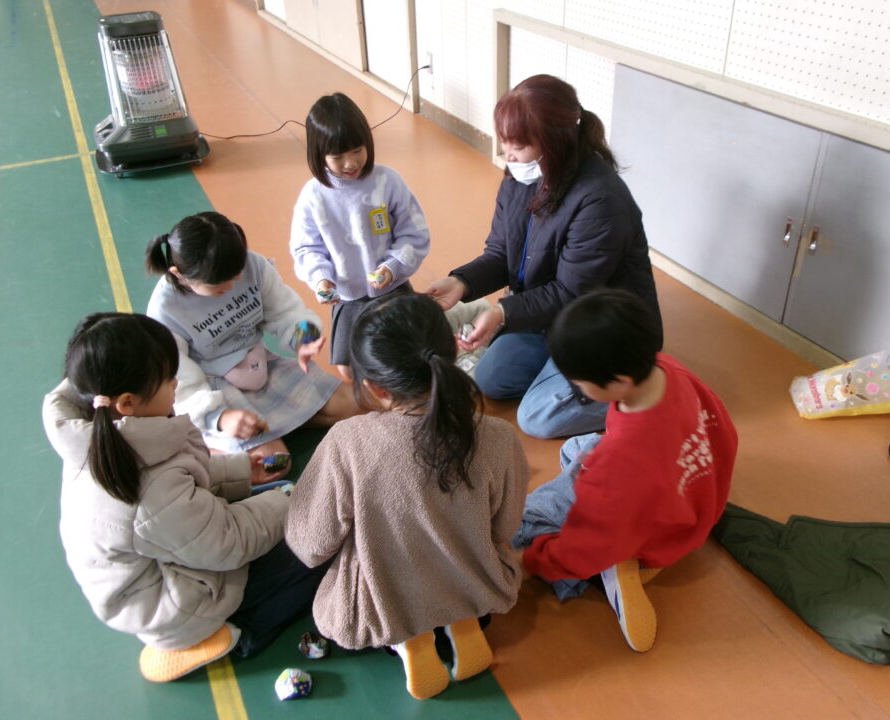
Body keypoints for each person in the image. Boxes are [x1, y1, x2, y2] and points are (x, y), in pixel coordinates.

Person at [42, 313, 327, 682]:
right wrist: (292, 502)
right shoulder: (147, 491)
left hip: (166, 556)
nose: (176, 384)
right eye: (167, 379)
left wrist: (241, 471)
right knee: (320, 544)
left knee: (286, 507)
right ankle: (235, 632)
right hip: (177, 608)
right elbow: (227, 541)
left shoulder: (104, 430)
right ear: (127, 402)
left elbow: (182, 481)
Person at [285, 293, 529, 700]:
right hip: (478, 590)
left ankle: (409, 641)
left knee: (359, 579)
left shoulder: (348, 442)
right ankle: (462, 621)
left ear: (375, 388)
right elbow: (505, 526)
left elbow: (311, 544)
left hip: (382, 611)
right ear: (452, 352)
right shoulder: (499, 436)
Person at [426, 74, 662, 439]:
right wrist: (461, 282)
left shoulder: (600, 198)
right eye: (506, 144)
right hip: (547, 316)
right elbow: (502, 252)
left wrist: (503, 312)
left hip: (599, 328)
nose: (508, 156)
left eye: (518, 147)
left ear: (553, 142)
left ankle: (648, 385)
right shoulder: (520, 177)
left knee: (536, 418)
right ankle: (559, 375)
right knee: (491, 379)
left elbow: (571, 292)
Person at [517, 289, 738, 653]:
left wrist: (534, 561)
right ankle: (621, 551)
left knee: (525, 520)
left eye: (579, 383)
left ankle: (622, 562)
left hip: (650, 531)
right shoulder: (670, 368)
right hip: (697, 503)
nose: (576, 389)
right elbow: (723, 432)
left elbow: (589, 540)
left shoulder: (619, 464)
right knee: (576, 448)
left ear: (619, 381)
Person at [146, 211, 358, 481]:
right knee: (274, 464)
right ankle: (205, 447)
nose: (232, 286)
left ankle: (277, 423)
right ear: (180, 275)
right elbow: (181, 382)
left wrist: (303, 338)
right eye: (218, 285)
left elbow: (285, 310)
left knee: (355, 404)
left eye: (236, 277)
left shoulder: (252, 264)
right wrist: (219, 418)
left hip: (261, 366)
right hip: (215, 390)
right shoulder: (164, 310)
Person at [290, 92, 430, 381]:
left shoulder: (388, 181)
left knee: (410, 355)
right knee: (347, 368)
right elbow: (305, 248)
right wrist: (321, 278)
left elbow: (414, 233)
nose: (350, 163)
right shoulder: (313, 196)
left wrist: (392, 266)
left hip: (393, 289)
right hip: (348, 297)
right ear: (318, 155)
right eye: (337, 157)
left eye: (357, 150)